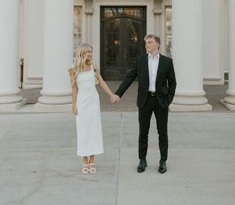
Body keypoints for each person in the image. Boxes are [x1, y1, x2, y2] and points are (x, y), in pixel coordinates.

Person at [113, 34, 176, 174]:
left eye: (150, 42)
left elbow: (172, 83)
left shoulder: (167, 62)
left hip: (161, 102)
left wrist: (168, 99)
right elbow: (129, 77)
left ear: (157, 44)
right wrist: (118, 94)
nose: (147, 44)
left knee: (162, 133)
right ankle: (142, 160)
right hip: (145, 100)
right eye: (146, 42)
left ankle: (163, 161)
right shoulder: (140, 60)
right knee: (143, 133)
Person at [69, 43, 116, 174]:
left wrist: (111, 94)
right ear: (82, 52)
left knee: (94, 130)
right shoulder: (73, 69)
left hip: (93, 102)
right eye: (88, 52)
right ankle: (84, 160)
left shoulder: (94, 66)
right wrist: (73, 104)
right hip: (82, 102)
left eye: (91, 52)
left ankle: (92, 160)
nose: (90, 54)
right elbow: (73, 88)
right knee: (83, 130)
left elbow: (101, 82)